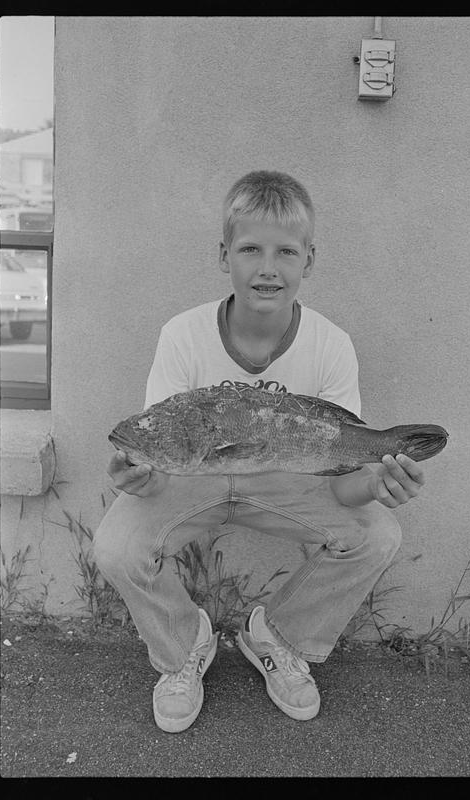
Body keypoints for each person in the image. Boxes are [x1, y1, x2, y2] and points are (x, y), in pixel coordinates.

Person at [93, 170, 427, 733]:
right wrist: (140, 478)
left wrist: (377, 481)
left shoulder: (330, 345)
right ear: (224, 255)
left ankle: (277, 636)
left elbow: (344, 483)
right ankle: (184, 649)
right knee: (117, 547)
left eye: (286, 252)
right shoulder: (182, 335)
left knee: (378, 533)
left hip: (286, 482)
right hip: (192, 480)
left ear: (309, 260)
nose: (267, 267)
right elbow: (162, 448)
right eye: (250, 249)